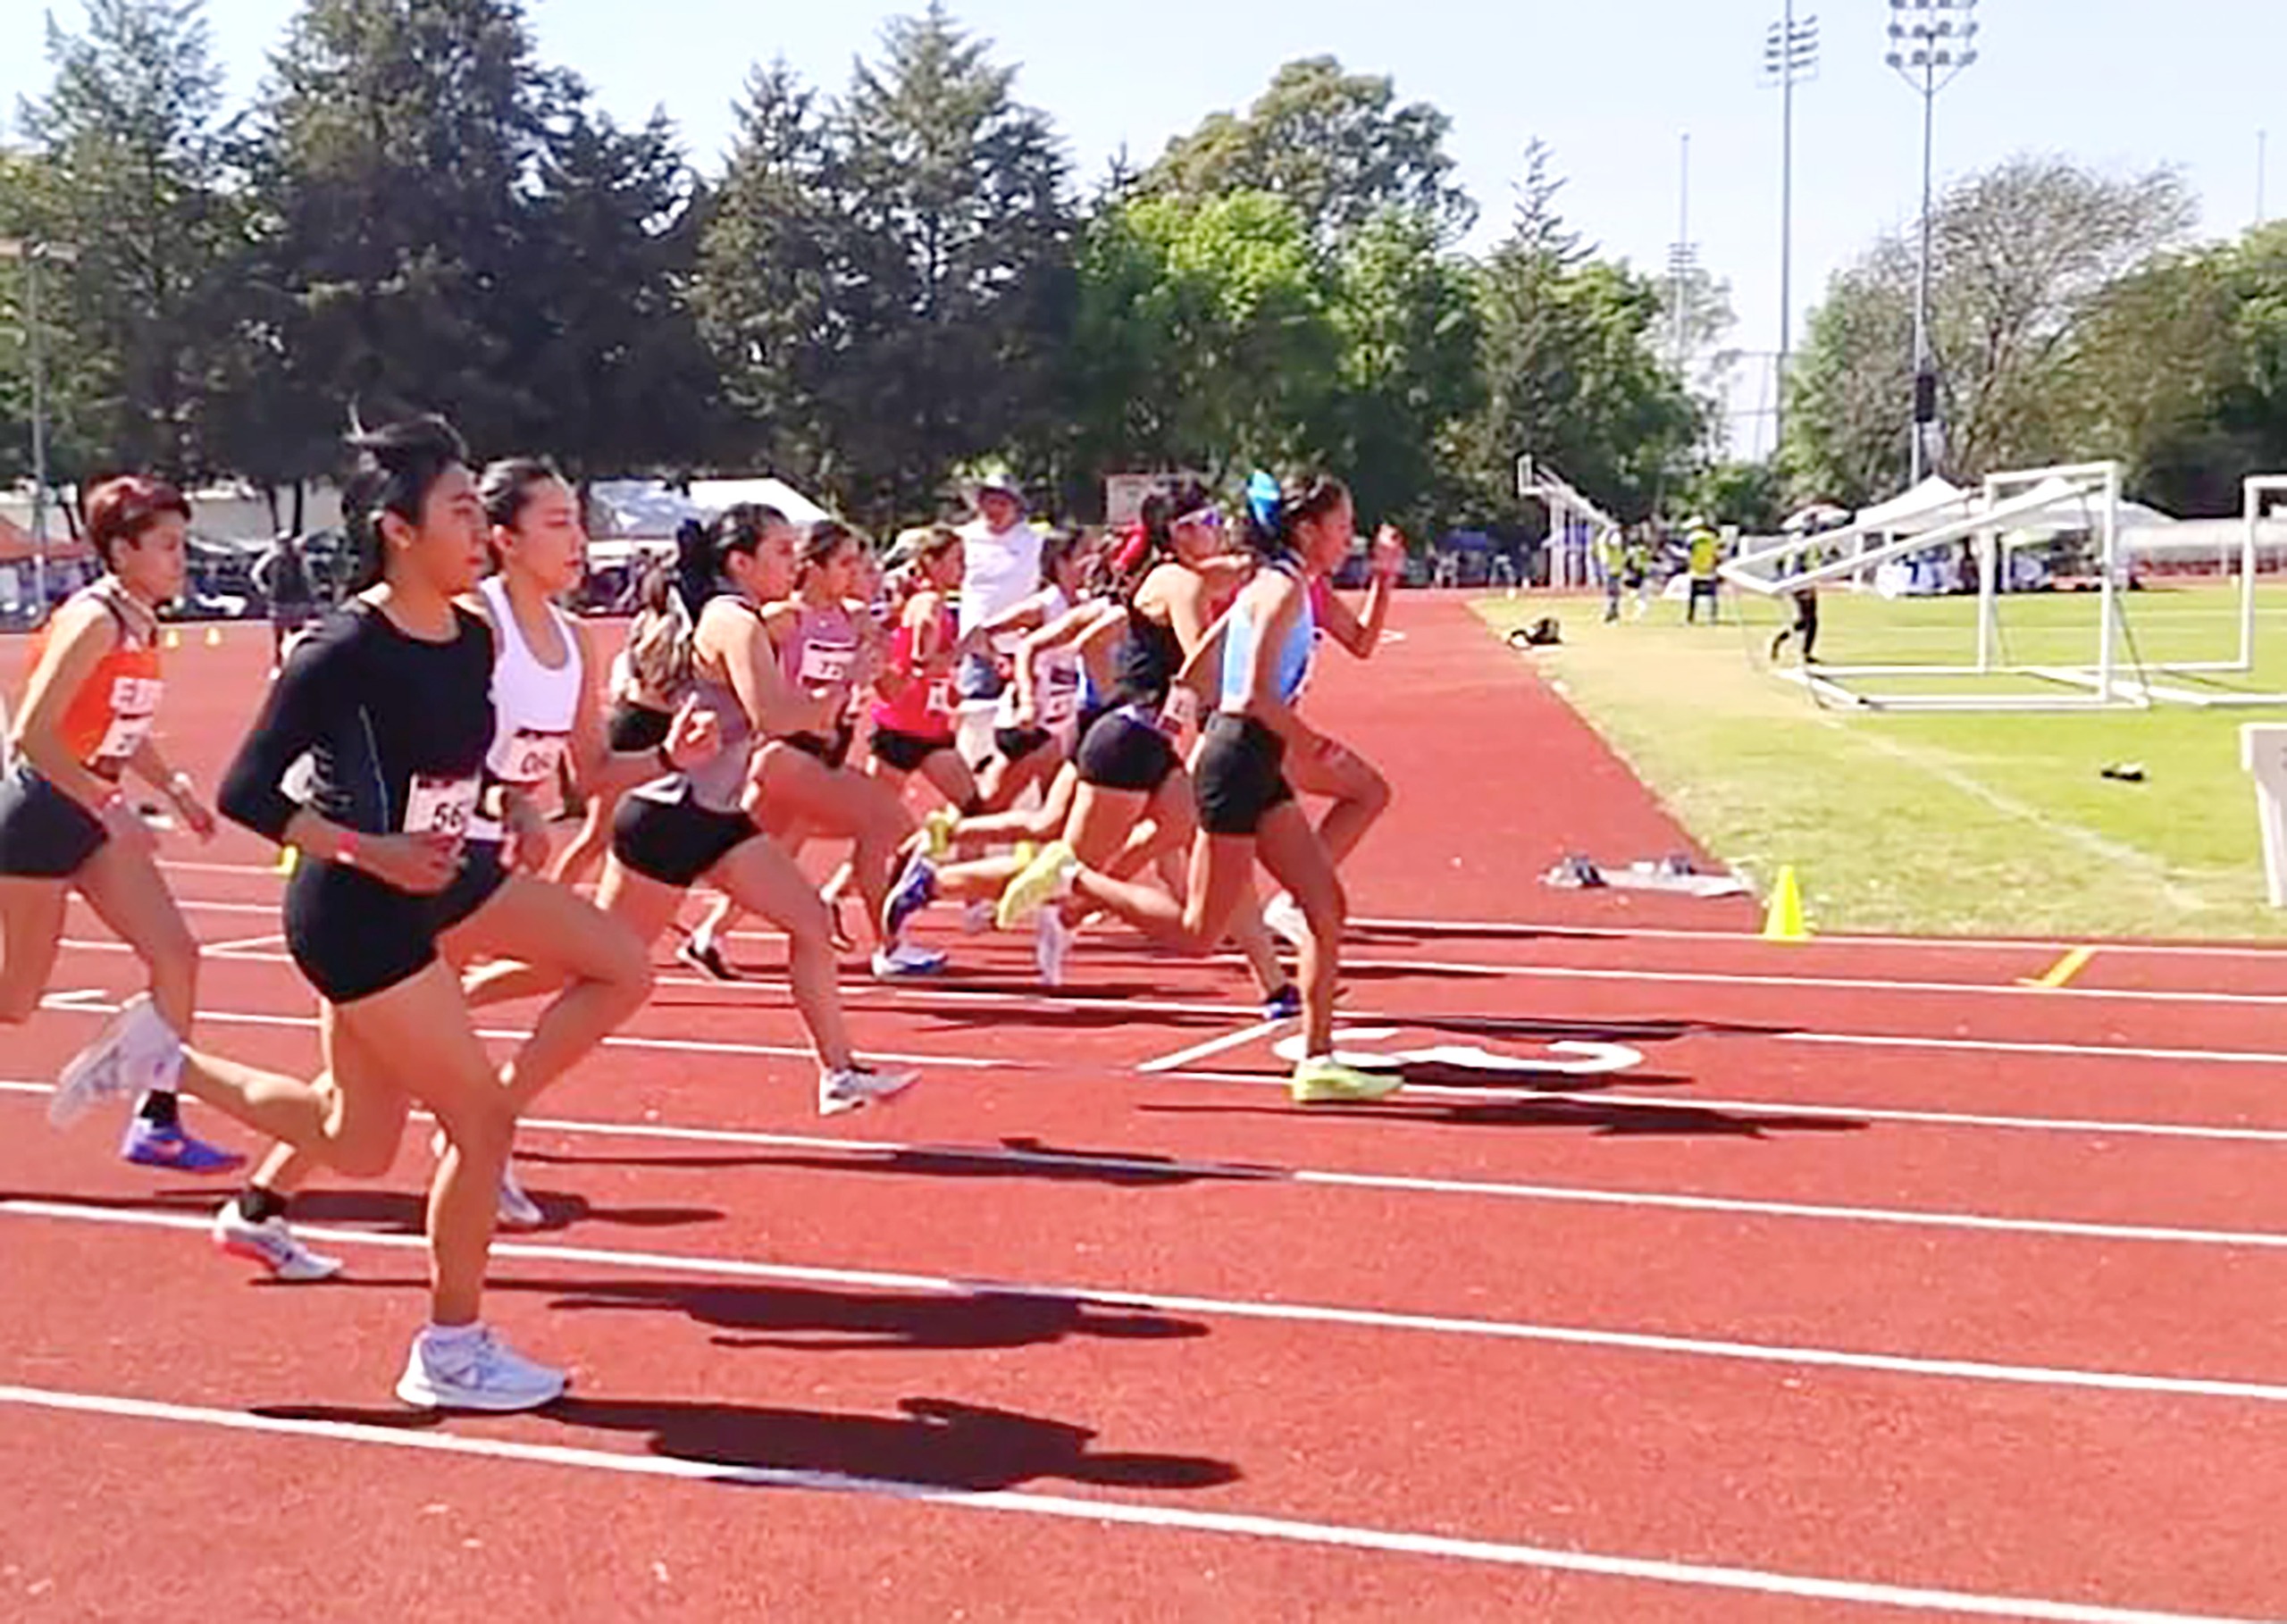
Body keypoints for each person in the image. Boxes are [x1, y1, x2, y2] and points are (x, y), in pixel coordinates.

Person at [53, 416, 569, 1410]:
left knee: (358, 1139)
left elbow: (459, 765)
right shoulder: (343, 647)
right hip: (350, 911)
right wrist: (369, 847)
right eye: (461, 511)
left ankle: (165, 1061)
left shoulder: (468, 637)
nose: (482, 531)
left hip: (421, 900)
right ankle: (450, 1348)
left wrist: (505, 806)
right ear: (399, 529)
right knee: (480, 1113)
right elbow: (250, 789)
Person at [215, 458, 701, 1275]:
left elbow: (577, 773)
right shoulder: (459, 616)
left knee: (370, 1111)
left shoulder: (569, 639)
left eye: (579, 521)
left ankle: (266, 1203)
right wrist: (372, 841)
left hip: (460, 865)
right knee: (380, 1113)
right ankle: (462, 1165)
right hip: (389, 875)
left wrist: (647, 763)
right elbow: (277, 775)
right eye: (555, 524)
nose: (579, 540)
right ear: (503, 539)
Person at [468, 503, 917, 1118]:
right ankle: (450, 1016)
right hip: (669, 818)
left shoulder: (748, 618)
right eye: (782, 551)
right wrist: (846, 684)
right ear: (740, 562)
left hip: (716, 815)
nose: (794, 563)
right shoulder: (732, 621)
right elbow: (775, 718)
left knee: (810, 922)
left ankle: (837, 1073)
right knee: (595, 970)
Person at [997, 473, 1396, 1103]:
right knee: (1198, 933)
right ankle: (1071, 877)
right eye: (1342, 525)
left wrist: (1179, 715)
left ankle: (1319, 1062)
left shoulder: (1278, 588)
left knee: (1325, 905)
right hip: (1240, 758)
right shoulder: (1277, 592)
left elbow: (1200, 663)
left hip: (1250, 757)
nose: (1350, 536)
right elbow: (1249, 696)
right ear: (1306, 530)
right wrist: (1311, 742)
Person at [3, 475, 239, 1173]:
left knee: (177, 956)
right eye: (167, 545)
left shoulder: (141, 619)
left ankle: (157, 1121)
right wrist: (109, 807)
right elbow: (33, 736)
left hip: (92, 814)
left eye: (182, 543)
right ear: (122, 549)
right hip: (42, 814)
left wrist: (175, 790)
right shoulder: (94, 619)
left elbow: (120, 725)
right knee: (16, 999)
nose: (181, 558)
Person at [552, 558, 687, 885]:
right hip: (638, 727)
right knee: (598, 835)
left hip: (654, 723)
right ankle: (557, 892)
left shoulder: (651, 621)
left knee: (661, 830)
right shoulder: (667, 627)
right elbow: (662, 679)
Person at [953, 473, 1043, 707]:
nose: (994, 509)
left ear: (1015, 507)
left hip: (1023, 647)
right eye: (988, 502)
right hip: (977, 647)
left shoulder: (1035, 541)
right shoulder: (964, 538)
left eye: (1002, 503)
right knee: (976, 711)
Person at [251, 532, 318, 670]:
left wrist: (310, 596)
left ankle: (297, 662)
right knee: (279, 636)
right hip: (279, 600)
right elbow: (255, 573)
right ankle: (279, 662)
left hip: (297, 600)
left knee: (297, 634)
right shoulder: (272, 558)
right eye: (283, 543)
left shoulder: (299, 559)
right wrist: (264, 588)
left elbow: (308, 577)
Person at [1685, 517, 1722, 624]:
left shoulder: (1691, 538)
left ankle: (1690, 618)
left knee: (1693, 595)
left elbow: (1688, 553)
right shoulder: (1712, 537)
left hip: (1696, 569)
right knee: (1712, 596)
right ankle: (1712, 618)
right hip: (1709, 568)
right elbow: (1717, 553)